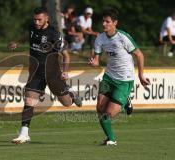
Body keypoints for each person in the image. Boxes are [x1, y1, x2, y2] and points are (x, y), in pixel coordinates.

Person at [8, 7, 82, 144]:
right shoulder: (32, 27)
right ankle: (24, 133)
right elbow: (28, 34)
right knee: (29, 100)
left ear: (47, 18)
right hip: (36, 73)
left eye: (39, 19)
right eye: (35, 19)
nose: (36, 22)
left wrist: (65, 71)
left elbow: (66, 55)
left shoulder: (53, 34)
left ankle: (71, 93)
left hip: (53, 74)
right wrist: (17, 42)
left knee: (66, 103)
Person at [89, 8, 150, 146]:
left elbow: (140, 55)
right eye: (103, 21)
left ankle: (112, 138)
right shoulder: (100, 38)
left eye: (107, 21)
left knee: (107, 116)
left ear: (115, 23)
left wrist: (141, 75)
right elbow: (97, 60)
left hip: (124, 80)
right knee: (99, 108)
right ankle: (111, 139)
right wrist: (94, 63)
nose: (104, 24)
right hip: (108, 77)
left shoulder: (123, 37)